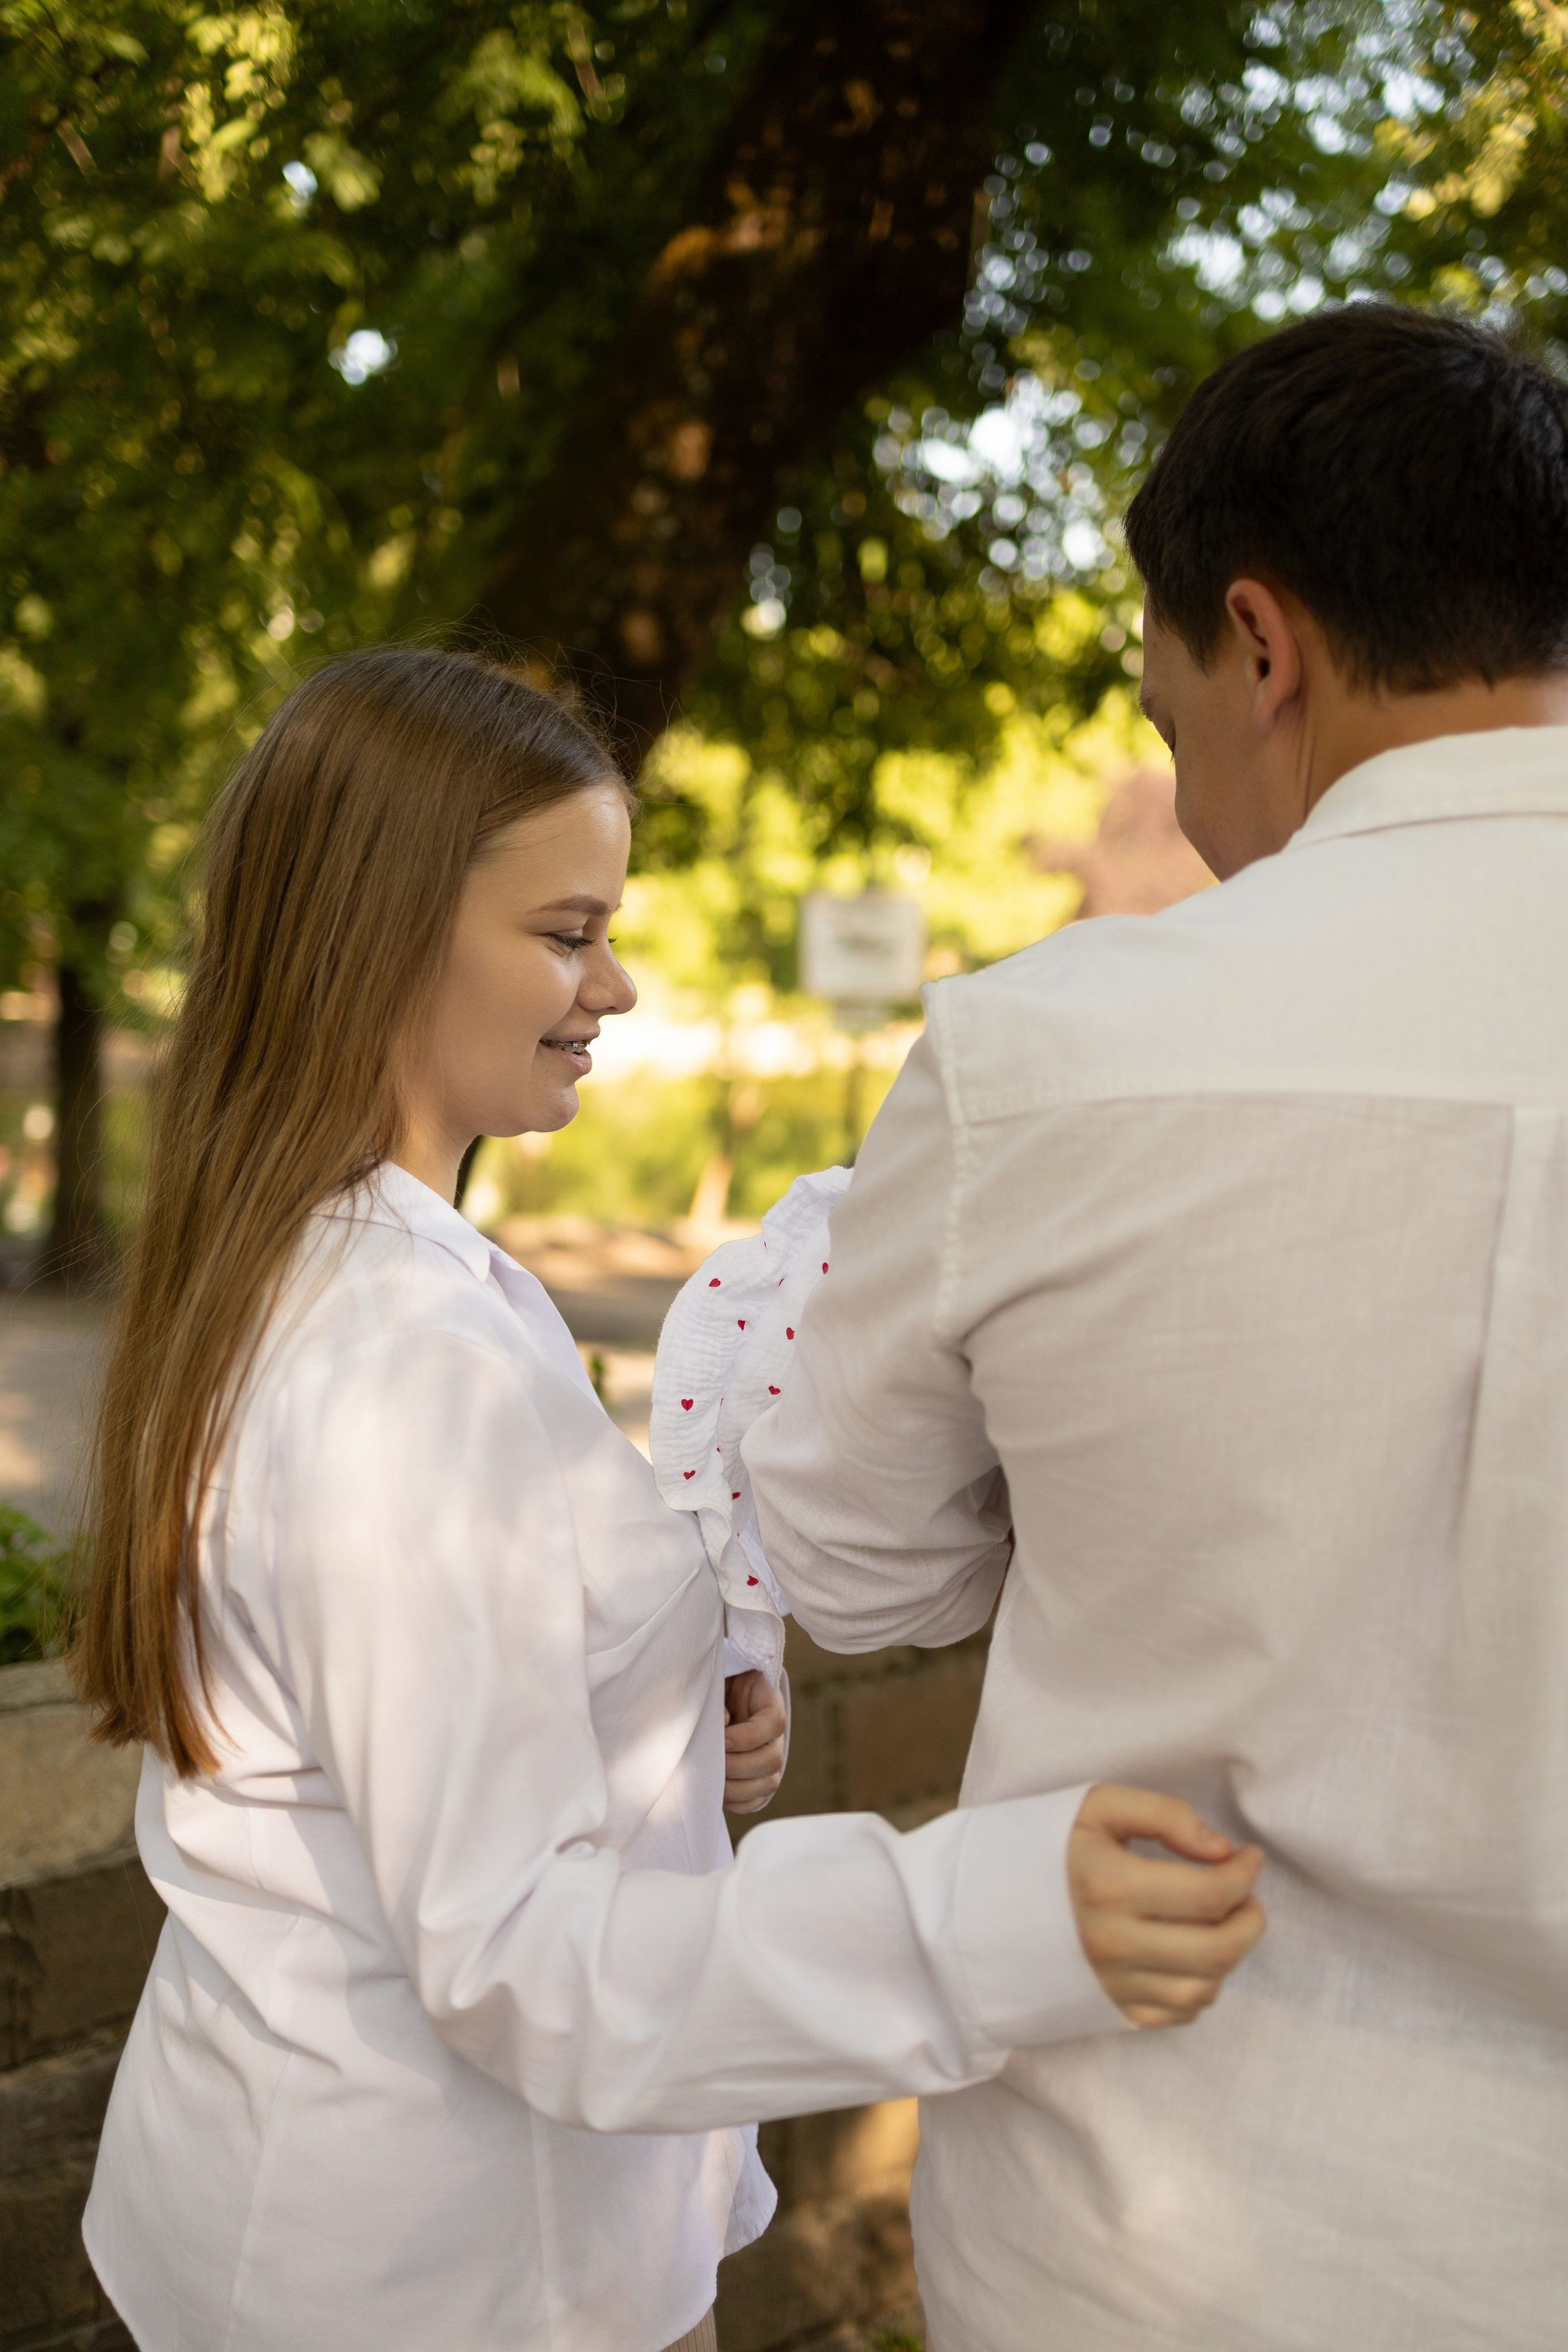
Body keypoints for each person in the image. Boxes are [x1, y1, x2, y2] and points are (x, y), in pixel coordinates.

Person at [73, 647, 1265, 2352]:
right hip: (436, 2275)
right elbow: (511, 1950)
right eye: (568, 934)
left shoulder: (355, 1274)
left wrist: (660, 1735)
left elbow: (395, 1750)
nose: (616, 986)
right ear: (380, 933)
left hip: (380, 2216)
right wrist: (997, 1921)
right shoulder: (399, 1362)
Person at [743, 303, 1568, 2351]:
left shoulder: (1048, 1055)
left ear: (1262, 646)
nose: (1184, 791)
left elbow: (852, 1565)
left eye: (1168, 706)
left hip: (1164, 2238)